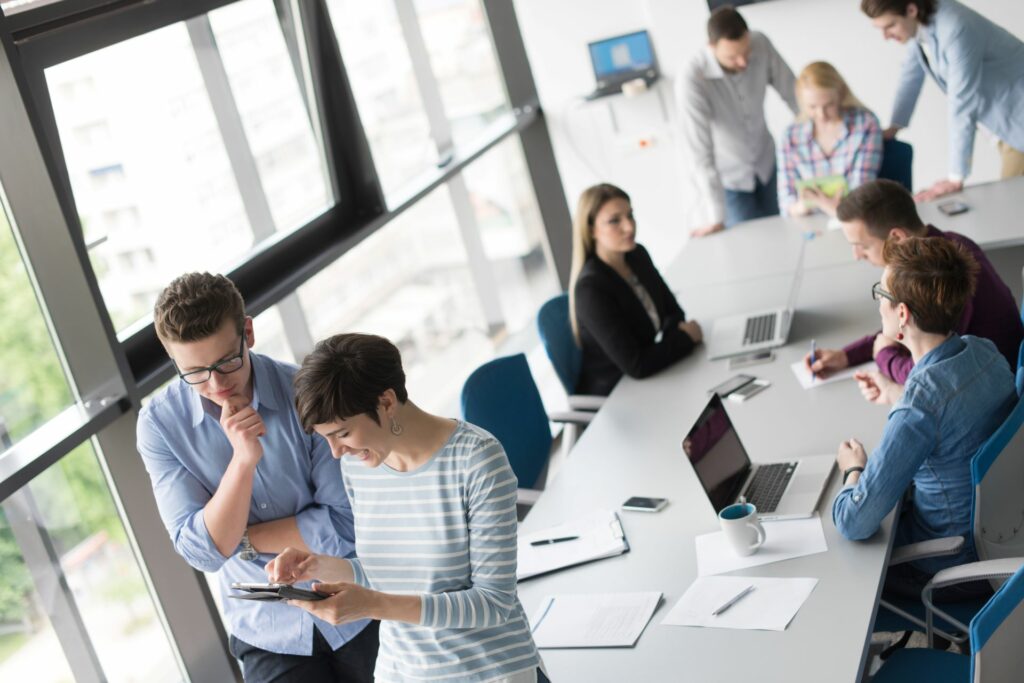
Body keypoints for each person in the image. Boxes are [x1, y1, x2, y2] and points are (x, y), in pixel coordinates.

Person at [137, 273, 378, 682]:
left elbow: (345, 523)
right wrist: (243, 461)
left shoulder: (303, 392)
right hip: (267, 628)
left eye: (227, 362)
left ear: (247, 331)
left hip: (351, 598)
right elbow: (202, 552)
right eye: (194, 373)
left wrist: (242, 539)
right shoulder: (160, 426)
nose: (217, 385)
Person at [266, 333, 547, 682]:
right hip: (403, 670)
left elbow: (493, 603)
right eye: (326, 439)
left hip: (489, 672)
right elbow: (390, 575)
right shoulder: (359, 466)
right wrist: (318, 567)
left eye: (342, 433)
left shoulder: (477, 460)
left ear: (386, 402)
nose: (336, 452)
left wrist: (371, 604)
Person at [832, 237, 1015, 599]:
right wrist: (894, 393)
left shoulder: (919, 409)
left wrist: (853, 468)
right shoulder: (985, 352)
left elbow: (854, 522)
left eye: (880, 295)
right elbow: (953, 418)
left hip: (952, 564)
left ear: (902, 314)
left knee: (841, 567)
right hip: (1004, 532)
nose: (878, 304)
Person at [805, 179, 1022, 383]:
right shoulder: (947, 246)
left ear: (897, 238)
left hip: (993, 387)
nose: (857, 255)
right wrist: (846, 356)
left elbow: (927, 373)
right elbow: (902, 329)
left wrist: (884, 356)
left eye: (863, 245)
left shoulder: (937, 279)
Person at [861, 0, 1024, 201]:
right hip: (1005, 123)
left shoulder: (956, 27)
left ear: (911, 10)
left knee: (1012, 203)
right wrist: (895, 126)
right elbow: (910, 77)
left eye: (890, 26)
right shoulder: (920, 26)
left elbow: (961, 102)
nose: (885, 36)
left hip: (1018, 119)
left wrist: (955, 177)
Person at [569, 183, 702, 396]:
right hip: (616, 394)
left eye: (630, 215)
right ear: (591, 229)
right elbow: (637, 365)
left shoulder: (637, 255)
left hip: (653, 379)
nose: (629, 227)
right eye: (615, 221)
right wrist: (685, 339)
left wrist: (668, 345)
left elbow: (674, 313)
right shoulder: (591, 289)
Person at [677, 5, 799, 236]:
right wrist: (716, 216)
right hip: (730, 180)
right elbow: (700, 153)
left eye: (746, 52)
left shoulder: (760, 43)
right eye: (732, 57)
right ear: (711, 47)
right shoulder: (692, 78)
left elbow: (794, 95)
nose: (743, 62)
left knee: (786, 234)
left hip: (768, 163)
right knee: (753, 246)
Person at [777, 61, 883, 217]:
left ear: (840, 94)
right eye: (812, 107)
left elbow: (861, 195)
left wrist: (820, 202)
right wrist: (800, 207)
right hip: (809, 223)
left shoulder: (865, 124)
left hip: (856, 222)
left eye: (829, 105)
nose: (821, 115)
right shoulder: (790, 136)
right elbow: (786, 202)